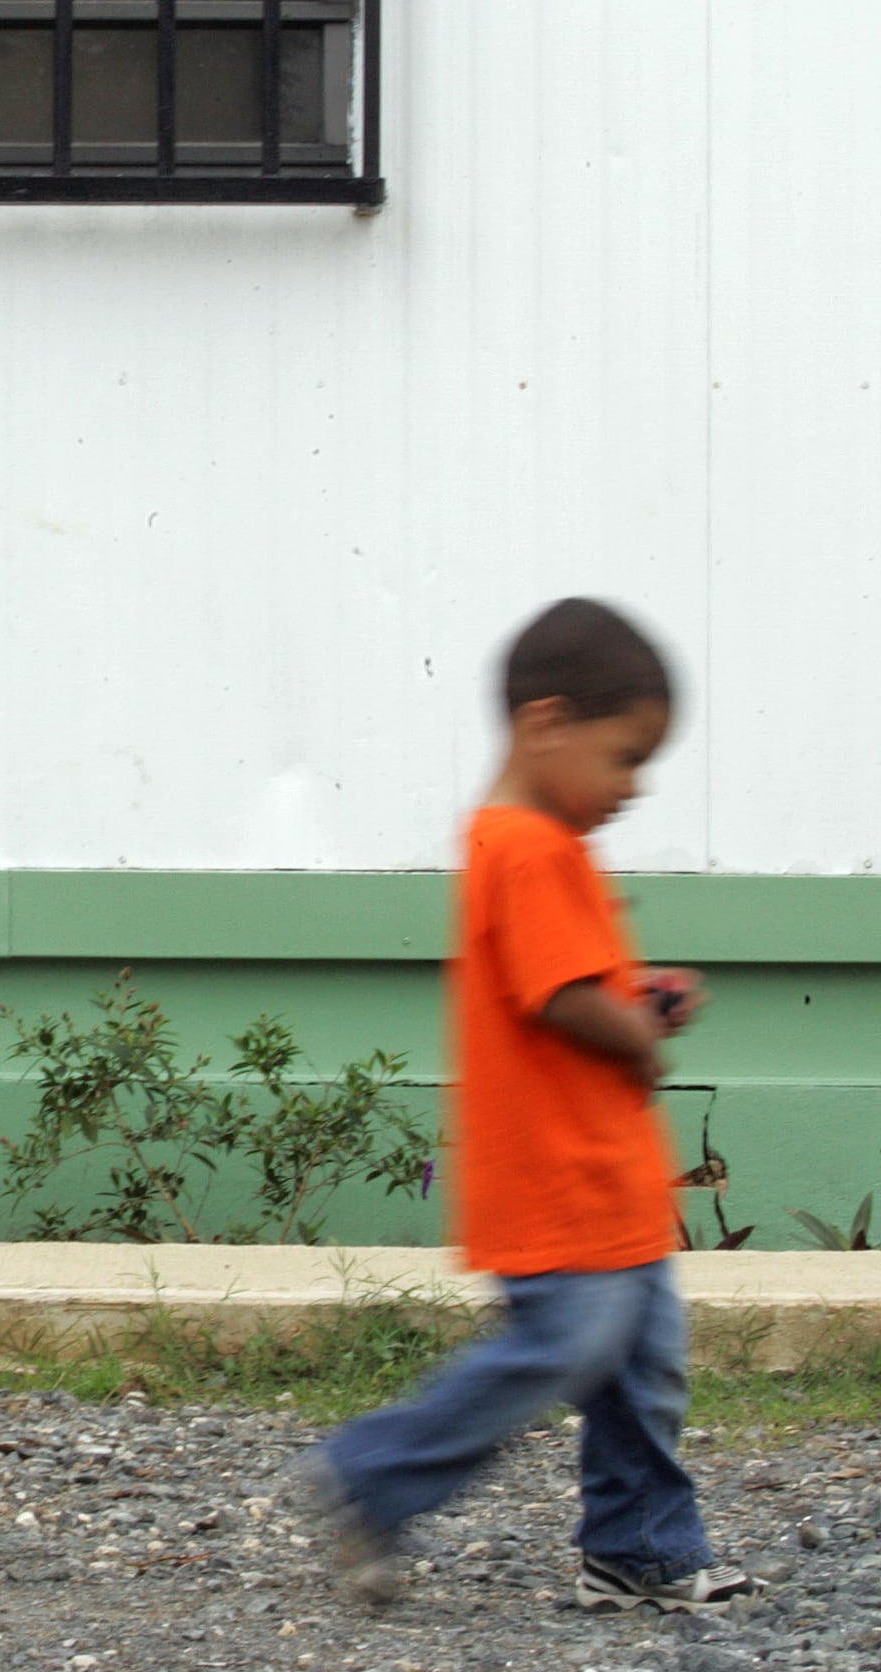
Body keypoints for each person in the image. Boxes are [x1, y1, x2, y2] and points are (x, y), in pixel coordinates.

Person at [301, 597, 757, 1615]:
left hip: (608, 1184)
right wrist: (636, 1023)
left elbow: (569, 981)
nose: (632, 787)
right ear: (545, 723)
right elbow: (560, 997)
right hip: (562, 1187)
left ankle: (638, 1546)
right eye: (624, 756)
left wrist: (637, 997)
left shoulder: (535, 847)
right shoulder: (527, 847)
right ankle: (371, 1472)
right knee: (559, 1353)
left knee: (642, 1379)